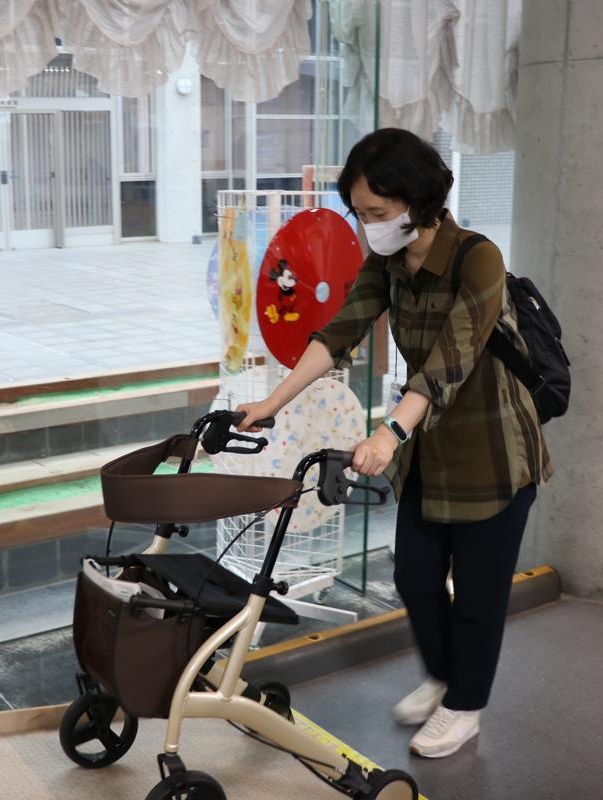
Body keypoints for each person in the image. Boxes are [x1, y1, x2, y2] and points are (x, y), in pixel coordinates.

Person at [235, 128, 552, 759]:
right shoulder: (387, 263)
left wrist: (389, 431)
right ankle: (443, 676)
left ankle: (465, 706)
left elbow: (447, 363)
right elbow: (340, 330)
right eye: (360, 213)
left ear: (419, 200)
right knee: (415, 577)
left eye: (378, 212)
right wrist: (271, 403)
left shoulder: (477, 259)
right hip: (427, 449)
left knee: (480, 594)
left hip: (493, 452)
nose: (368, 226)